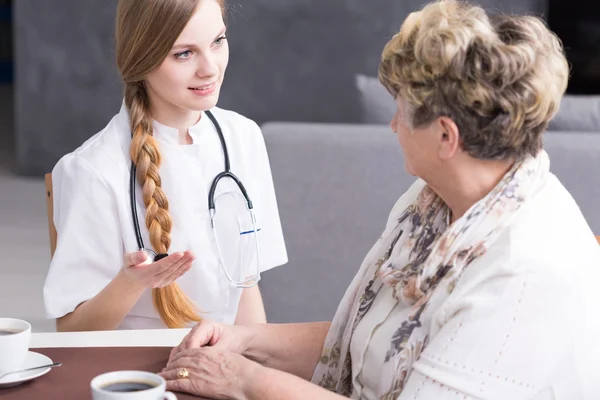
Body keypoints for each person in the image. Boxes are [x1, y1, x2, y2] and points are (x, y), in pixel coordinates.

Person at [158, 1, 600, 398]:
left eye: (403, 111)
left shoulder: (520, 277)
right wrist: (247, 340)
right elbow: (376, 342)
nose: (393, 126)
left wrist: (244, 379)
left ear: (447, 136)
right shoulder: (435, 203)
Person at [43, 0, 287, 331]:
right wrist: (132, 282)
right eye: (183, 54)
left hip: (224, 363)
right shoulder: (93, 171)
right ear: (141, 59)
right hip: (139, 374)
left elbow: (245, 285)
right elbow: (72, 330)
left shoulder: (243, 137)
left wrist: (255, 365)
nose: (210, 68)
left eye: (217, 41)